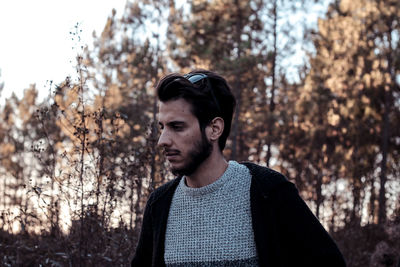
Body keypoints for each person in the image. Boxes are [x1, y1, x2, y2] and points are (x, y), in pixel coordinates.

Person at [131, 70, 346, 267]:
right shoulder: (160, 204)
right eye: (162, 127)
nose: (163, 140)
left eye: (177, 127)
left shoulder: (268, 192)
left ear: (214, 129)